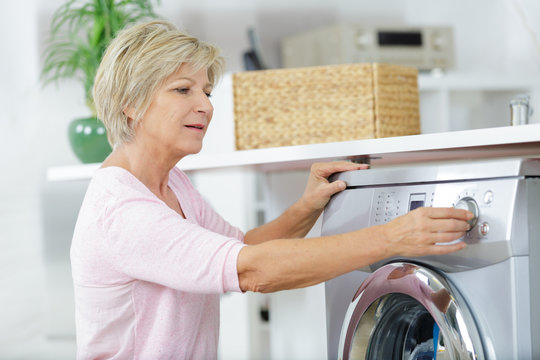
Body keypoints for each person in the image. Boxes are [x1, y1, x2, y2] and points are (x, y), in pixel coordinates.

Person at [70, 20, 472, 359]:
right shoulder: (121, 210)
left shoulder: (172, 183)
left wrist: (307, 206)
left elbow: (245, 247)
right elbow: (254, 270)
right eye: (183, 90)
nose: (206, 105)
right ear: (131, 103)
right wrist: (394, 236)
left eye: (206, 92)